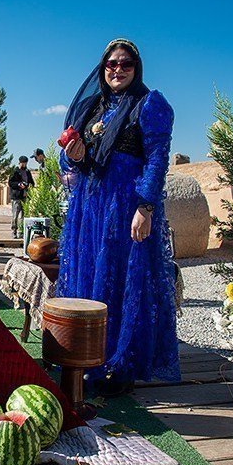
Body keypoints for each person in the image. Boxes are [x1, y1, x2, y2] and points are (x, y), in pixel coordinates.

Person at [57, 38, 180, 396]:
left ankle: (121, 365)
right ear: (103, 68)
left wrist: (146, 207)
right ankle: (87, 357)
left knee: (124, 280)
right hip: (91, 209)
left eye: (126, 64)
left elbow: (157, 159)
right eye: (112, 64)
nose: (118, 70)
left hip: (126, 209)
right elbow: (72, 160)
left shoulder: (149, 104)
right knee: (90, 277)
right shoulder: (93, 107)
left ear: (136, 68)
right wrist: (74, 155)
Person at [8, 155, 35, 238]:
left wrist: (28, 186)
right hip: (16, 196)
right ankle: (14, 231)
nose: (24, 165)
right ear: (19, 163)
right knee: (15, 215)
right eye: (23, 163)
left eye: (25, 163)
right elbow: (10, 183)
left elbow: (32, 182)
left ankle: (21, 231)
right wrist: (19, 185)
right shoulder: (15, 171)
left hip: (24, 196)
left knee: (23, 216)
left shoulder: (27, 172)